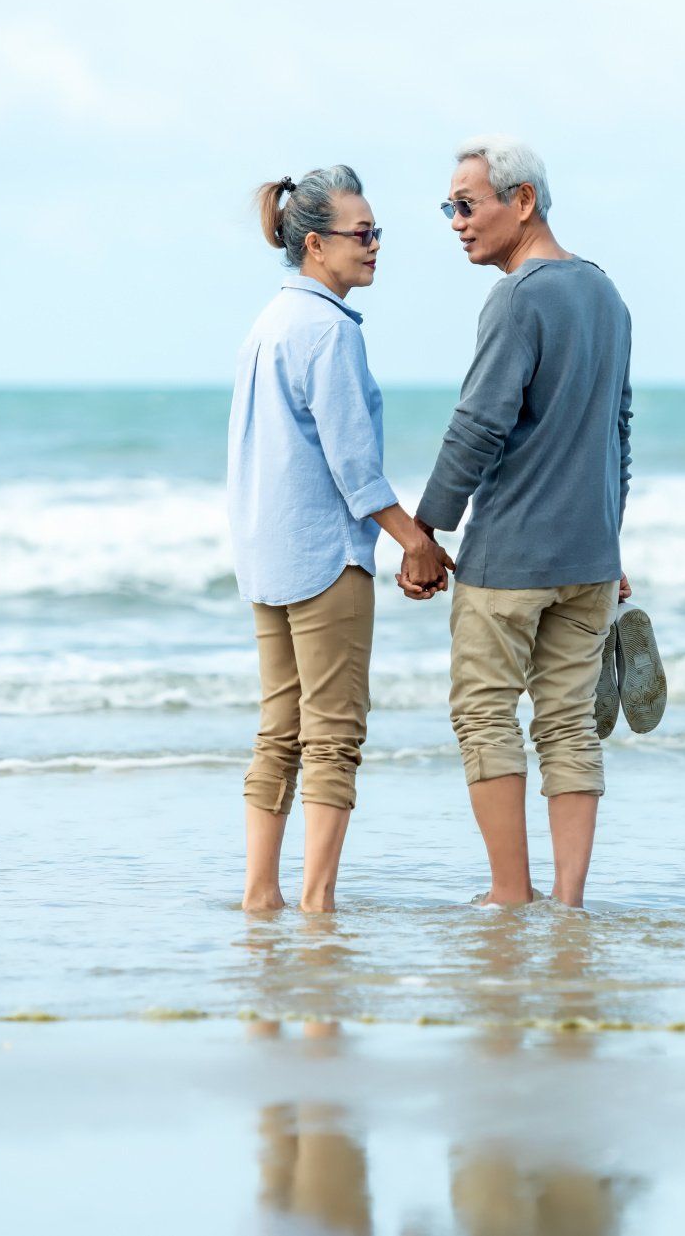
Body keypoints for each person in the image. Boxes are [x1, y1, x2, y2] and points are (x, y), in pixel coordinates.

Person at [408, 136, 635, 909]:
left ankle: (510, 891)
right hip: (589, 557)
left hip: (510, 556)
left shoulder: (518, 296)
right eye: (450, 208)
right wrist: (612, 533)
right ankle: (568, 900)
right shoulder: (607, 293)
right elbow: (618, 430)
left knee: (484, 711)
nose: (456, 222)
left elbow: (478, 424)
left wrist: (426, 529)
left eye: (467, 205)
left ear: (524, 201)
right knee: (568, 722)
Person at [229, 165, 454, 913]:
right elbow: (353, 464)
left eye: (377, 232)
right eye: (363, 234)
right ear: (317, 245)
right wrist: (412, 540)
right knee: (331, 737)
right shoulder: (327, 330)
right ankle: (317, 902)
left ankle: (261, 897)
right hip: (324, 558)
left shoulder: (269, 323)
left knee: (279, 731)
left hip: (266, 555)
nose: (375, 246)